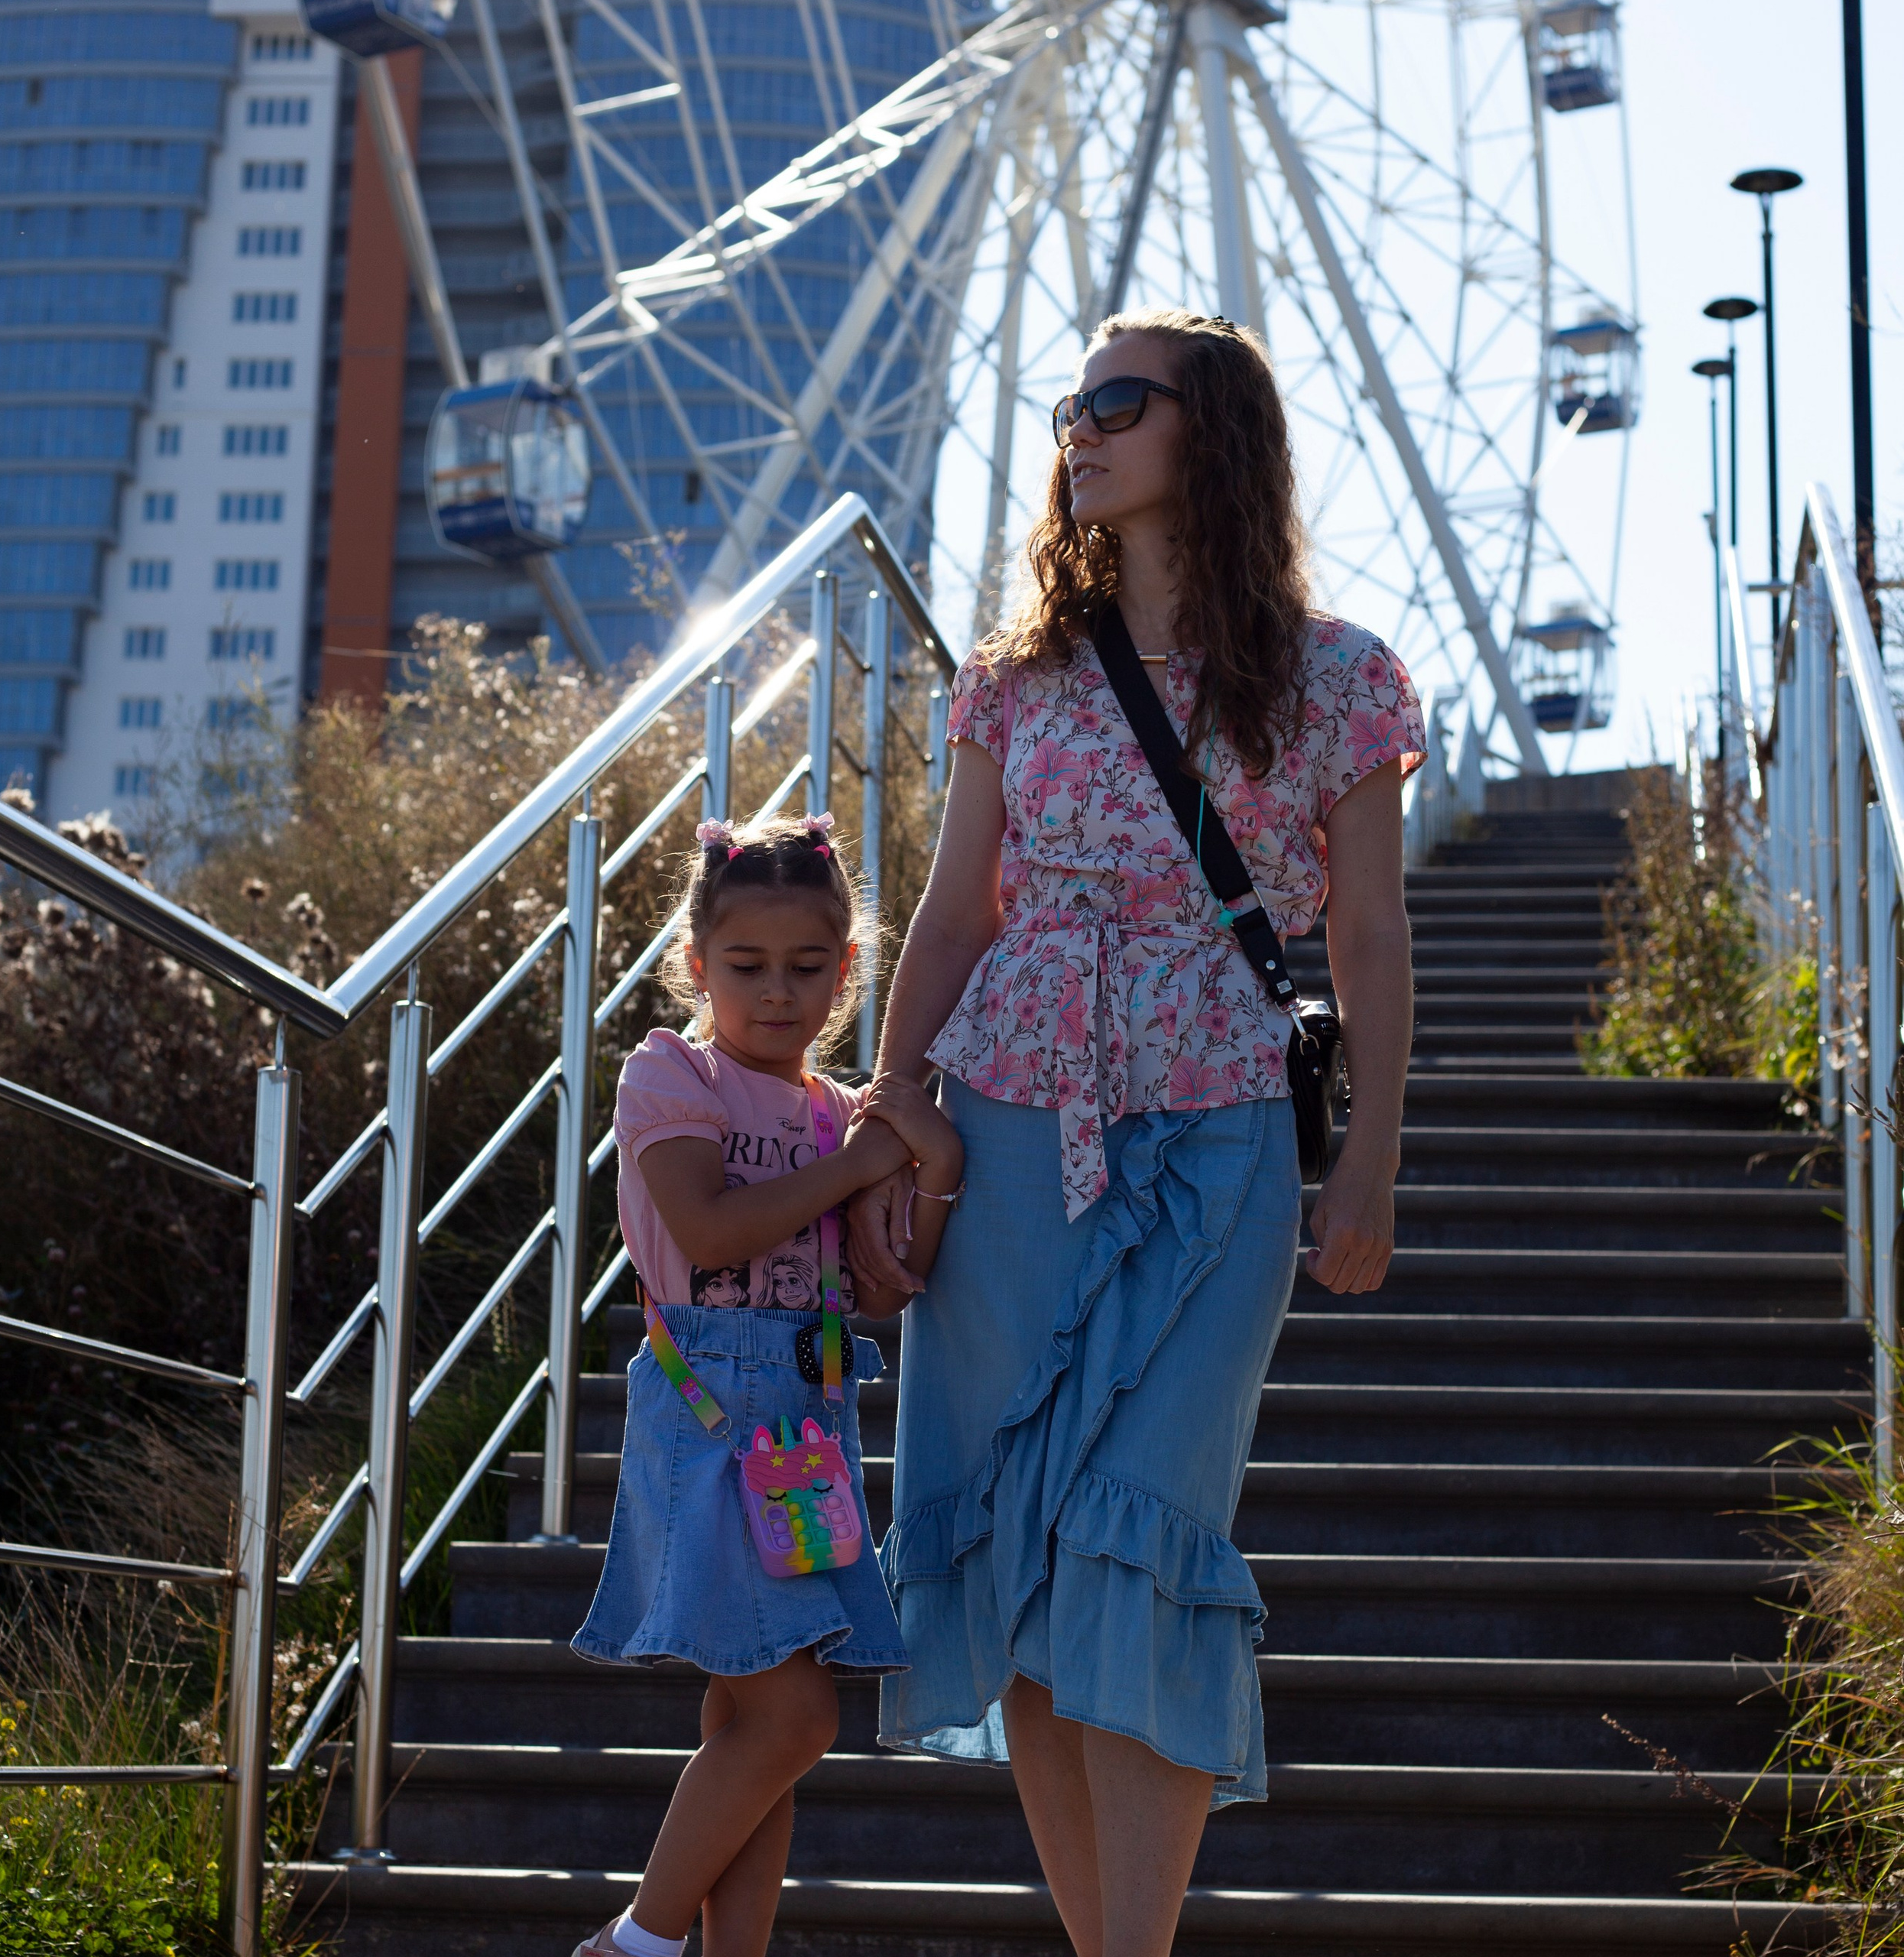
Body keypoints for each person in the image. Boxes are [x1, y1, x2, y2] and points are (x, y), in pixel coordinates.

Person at [848, 308, 1424, 1957]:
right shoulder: (1010, 679)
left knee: (1145, 1540)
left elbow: (1370, 938)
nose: (1077, 428)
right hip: (1011, 1127)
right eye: (1067, 404)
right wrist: (896, 1109)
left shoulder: (1339, 679)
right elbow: (953, 914)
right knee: (1021, 1556)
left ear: (1211, 432)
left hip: (1219, 1136)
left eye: (1116, 399)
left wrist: (1368, 1155)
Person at [569, 810, 964, 1957]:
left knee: (752, 1718)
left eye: (806, 968)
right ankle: (636, 1942)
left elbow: (888, 1292)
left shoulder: (839, 1111)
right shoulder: (670, 1071)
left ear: (848, 974)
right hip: (710, 1415)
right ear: (698, 965)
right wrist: (855, 1165)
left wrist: (928, 1171)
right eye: (746, 967)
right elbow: (708, 1229)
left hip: (810, 1423)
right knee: (796, 1715)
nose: (777, 993)